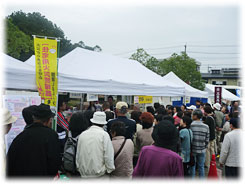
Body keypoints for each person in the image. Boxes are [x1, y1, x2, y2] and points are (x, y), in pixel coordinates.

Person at [7, 104, 61, 177]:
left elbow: (9, 163)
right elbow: (54, 162)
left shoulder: (20, 137)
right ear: (48, 120)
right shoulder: (51, 135)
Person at [76, 112, 115, 178]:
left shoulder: (83, 134)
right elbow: (108, 155)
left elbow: (78, 154)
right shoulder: (104, 135)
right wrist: (109, 169)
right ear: (103, 124)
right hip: (100, 175)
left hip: (84, 175)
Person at [190, 109, 209, 178]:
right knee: (201, 166)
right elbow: (207, 139)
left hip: (193, 149)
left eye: (192, 115)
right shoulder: (206, 126)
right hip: (202, 149)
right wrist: (204, 147)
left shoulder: (191, 125)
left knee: (192, 166)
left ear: (195, 116)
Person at [203, 106, 216, 173]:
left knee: (207, 150)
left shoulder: (208, 118)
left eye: (204, 111)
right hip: (213, 136)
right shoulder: (213, 117)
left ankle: (207, 163)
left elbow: (206, 127)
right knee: (212, 149)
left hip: (209, 136)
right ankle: (213, 161)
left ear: (206, 111)